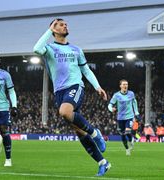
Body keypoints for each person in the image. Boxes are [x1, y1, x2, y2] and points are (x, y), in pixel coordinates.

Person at [33, 18, 110, 176]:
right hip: (59, 92)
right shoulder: (49, 49)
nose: (65, 26)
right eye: (61, 24)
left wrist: (97, 86)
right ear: (54, 29)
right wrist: (49, 29)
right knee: (78, 130)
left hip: (75, 86)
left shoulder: (76, 50)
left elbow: (86, 70)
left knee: (65, 112)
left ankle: (96, 133)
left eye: (65, 24)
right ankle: (103, 163)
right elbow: (36, 49)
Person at [108, 79, 141, 156]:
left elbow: (134, 102)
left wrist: (136, 113)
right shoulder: (116, 95)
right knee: (122, 135)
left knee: (127, 132)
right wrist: (111, 109)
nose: (125, 86)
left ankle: (131, 140)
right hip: (120, 118)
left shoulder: (131, 94)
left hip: (129, 116)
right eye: (123, 84)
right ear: (120, 86)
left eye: (126, 84)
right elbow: (110, 104)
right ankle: (127, 149)